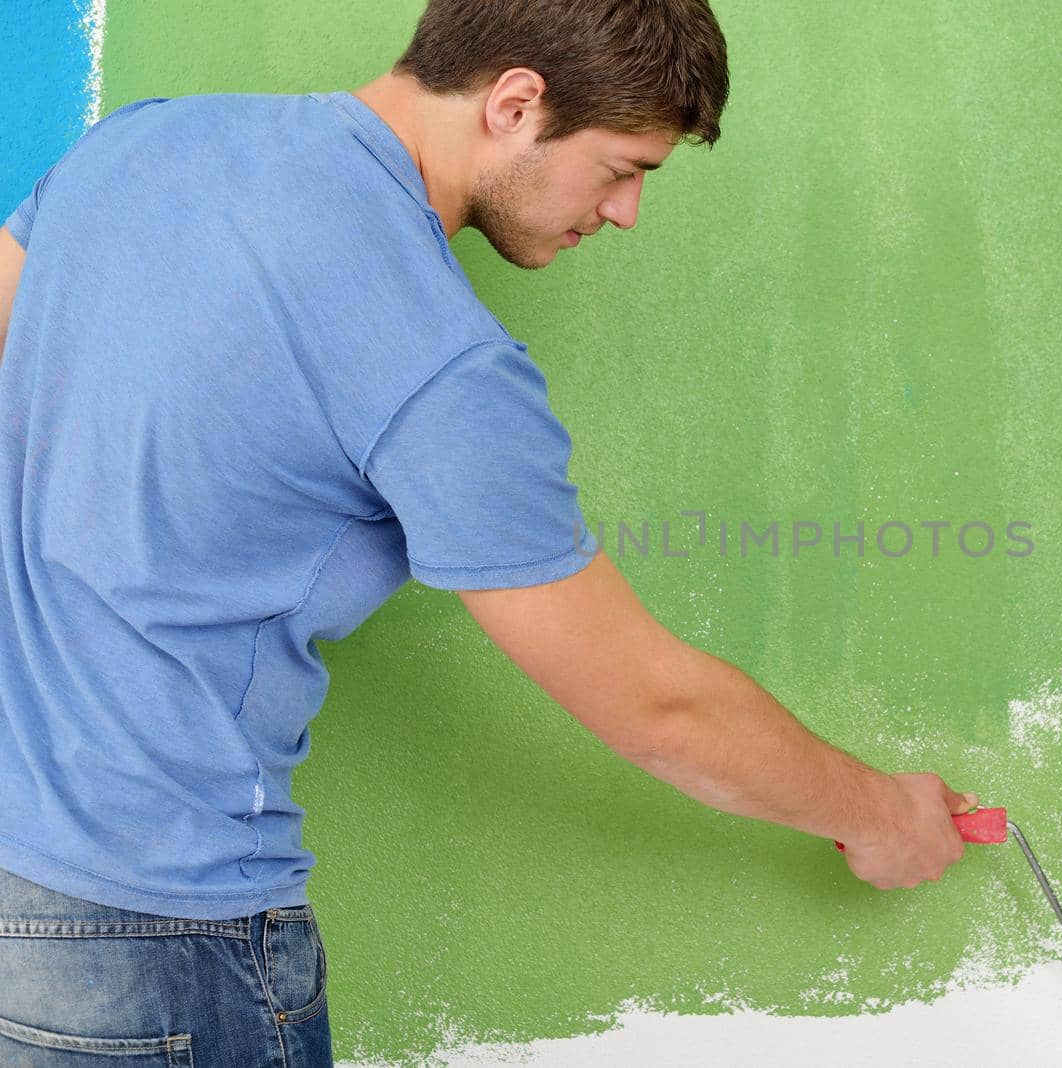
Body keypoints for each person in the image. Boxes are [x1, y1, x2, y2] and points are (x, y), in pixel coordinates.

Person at [0, 0, 976, 1061]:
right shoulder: (439, 364)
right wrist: (884, 815)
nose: (627, 210)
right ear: (515, 103)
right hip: (147, 947)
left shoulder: (141, 143)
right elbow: (658, 707)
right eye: (621, 167)